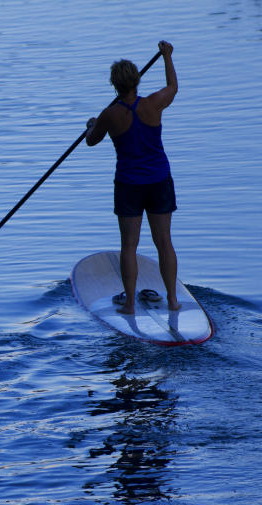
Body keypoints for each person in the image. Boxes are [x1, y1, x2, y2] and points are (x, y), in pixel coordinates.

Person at [84, 40, 180, 314]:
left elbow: (92, 141)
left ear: (115, 85)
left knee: (129, 245)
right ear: (137, 81)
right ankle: (173, 300)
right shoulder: (154, 104)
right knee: (164, 241)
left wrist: (91, 125)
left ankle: (129, 305)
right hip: (159, 180)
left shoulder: (110, 115)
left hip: (129, 186)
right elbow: (173, 87)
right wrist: (167, 57)